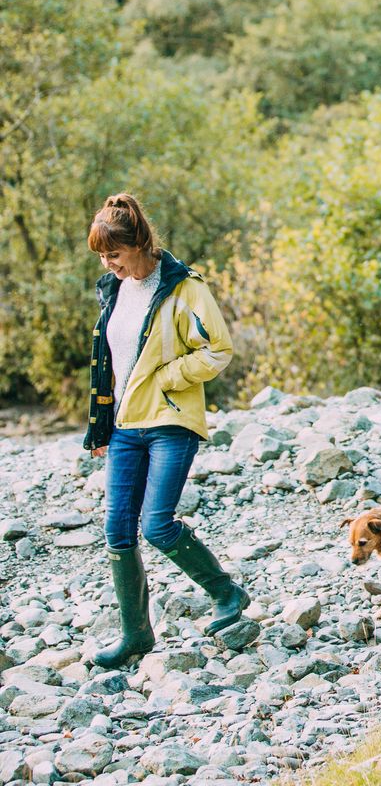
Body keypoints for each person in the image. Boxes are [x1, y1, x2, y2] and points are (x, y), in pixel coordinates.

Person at [83, 194, 247, 668]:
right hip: (125, 426)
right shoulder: (113, 289)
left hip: (170, 420)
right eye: (101, 256)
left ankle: (227, 593)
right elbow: (109, 365)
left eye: (113, 254)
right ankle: (136, 634)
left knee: (157, 524)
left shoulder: (183, 285)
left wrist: (169, 378)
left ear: (139, 245)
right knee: (117, 529)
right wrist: (99, 428)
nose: (108, 263)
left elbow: (218, 348)